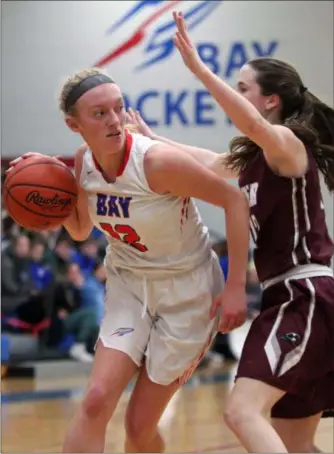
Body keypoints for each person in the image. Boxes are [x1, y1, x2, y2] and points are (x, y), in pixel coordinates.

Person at [7, 67, 250, 453]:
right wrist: (51, 201)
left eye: (119, 108)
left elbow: (235, 201)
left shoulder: (157, 163)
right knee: (95, 400)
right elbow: (82, 229)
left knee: (138, 430)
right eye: (99, 113)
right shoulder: (85, 160)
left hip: (187, 291)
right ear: (74, 125)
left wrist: (236, 284)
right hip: (129, 284)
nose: (115, 120)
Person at [133, 11, 333, 453]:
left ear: (270, 101)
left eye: (243, 88)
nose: (237, 93)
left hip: (306, 296)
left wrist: (199, 70)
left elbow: (253, 128)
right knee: (296, 444)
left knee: (240, 412)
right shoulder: (256, 160)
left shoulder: (288, 145)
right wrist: (149, 140)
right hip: (290, 299)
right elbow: (207, 162)